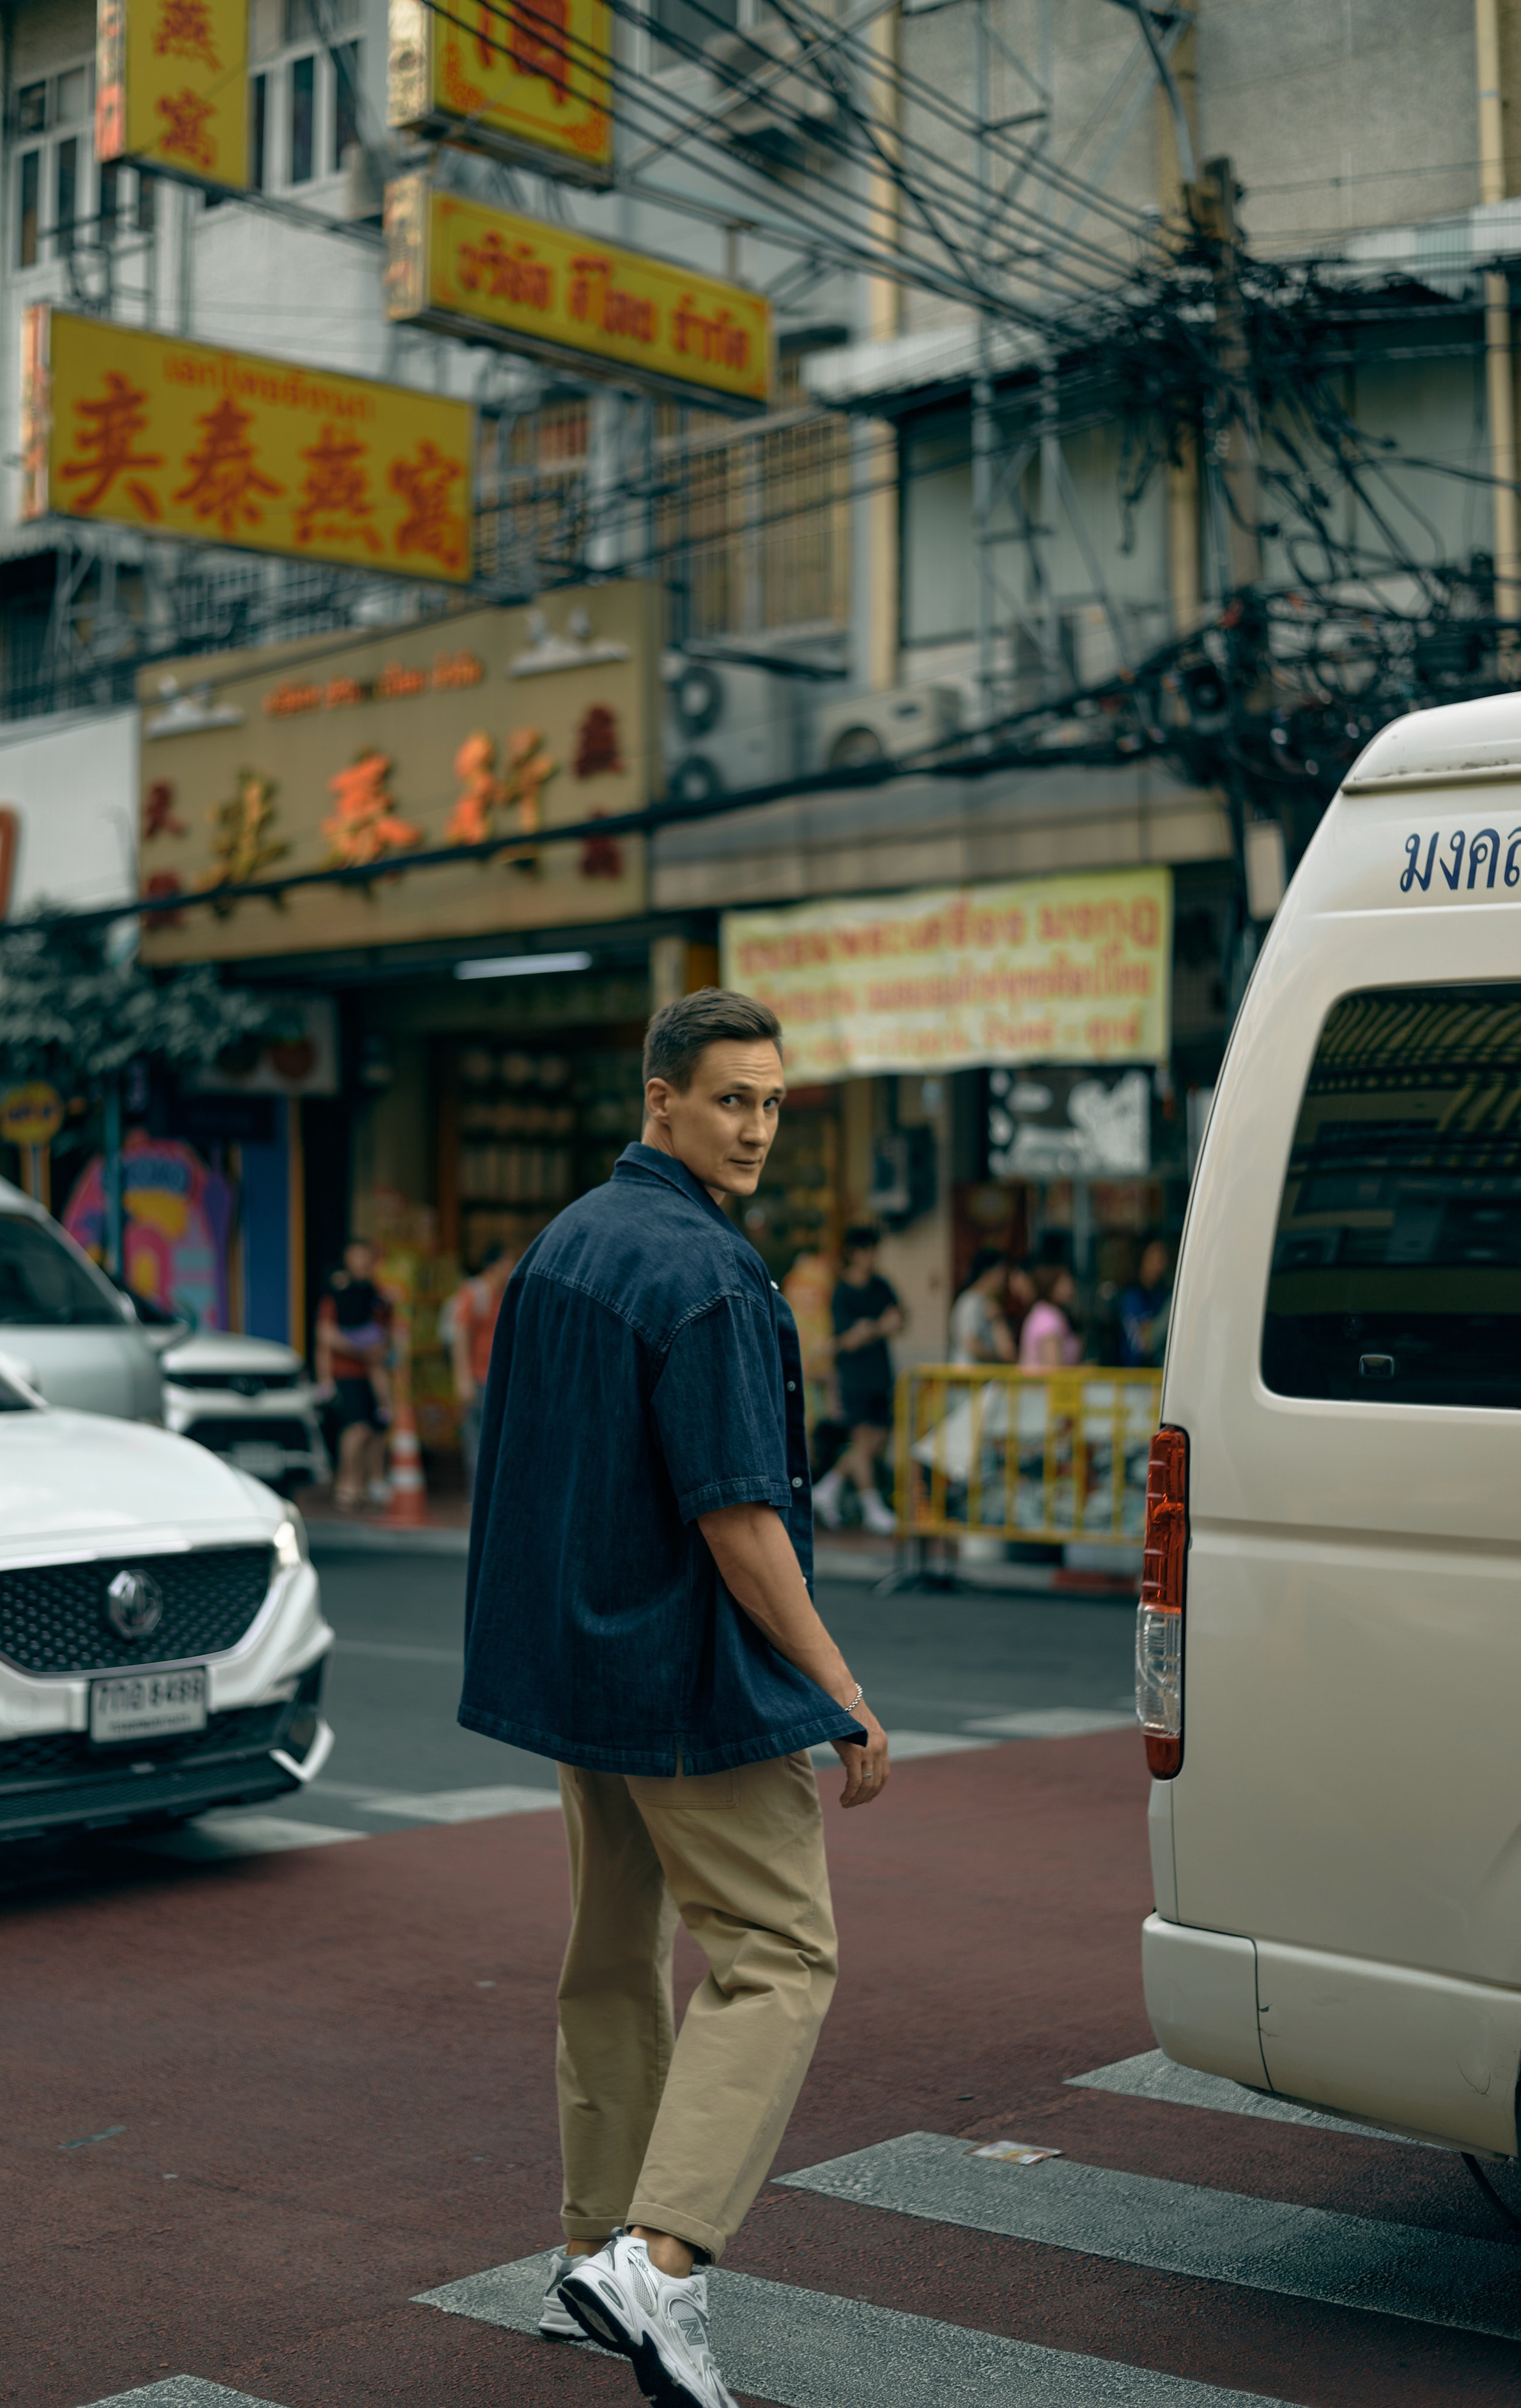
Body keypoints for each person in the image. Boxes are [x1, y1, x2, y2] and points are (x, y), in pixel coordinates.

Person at [459, 988, 889, 2408]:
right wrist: (838, 1688)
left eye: (771, 1103)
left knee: (611, 1960)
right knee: (780, 1954)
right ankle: (659, 2260)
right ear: (662, 1098)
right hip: (692, 1678)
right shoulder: (710, 1275)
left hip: (585, 1670)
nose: (756, 1128)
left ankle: (587, 2252)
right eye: (730, 1100)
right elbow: (739, 1518)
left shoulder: (564, 1244)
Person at [810, 1225, 902, 1535]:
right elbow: (847, 1340)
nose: (871, 1257)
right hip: (854, 1378)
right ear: (853, 1253)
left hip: (881, 1374)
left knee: (877, 1442)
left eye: (874, 1250)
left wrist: (868, 1330)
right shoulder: (842, 1292)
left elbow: (899, 1319)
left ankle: (827, 1489)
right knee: (862, 1441)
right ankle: (871, 1507)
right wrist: (878, 1328)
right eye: (866, 1250)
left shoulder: (881, 1285)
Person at [314, 1240, 392, 1509]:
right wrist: (325, 1379)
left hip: (373, 1373)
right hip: (345, 1375)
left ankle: (368, 1484)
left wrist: (380, 1351)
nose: (362, 1262)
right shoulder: (336, 1296)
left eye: (366, 1257)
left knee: (375, 1430)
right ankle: (346, 1485)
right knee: (356, 1429)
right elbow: (325, 1338)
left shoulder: (376, 1296)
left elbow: (386, 1334)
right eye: (357, 1257)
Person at [447, 1240, 516, 1491]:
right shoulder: (475, 1293)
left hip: (497, 1379)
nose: (513, 1267)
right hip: (478, 1379)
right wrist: (463, 1379)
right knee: (477, 1441)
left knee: (494, 1440)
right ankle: (477, 1497)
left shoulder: (503, 1294)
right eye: (509, 1262)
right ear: (495, 1265)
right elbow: (460, 1335)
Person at [948, 1257, 1017, 1364]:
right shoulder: (971, 1302)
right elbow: (972, 1344)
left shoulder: (984, 1302)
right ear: (988, 1274)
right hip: (970, 1372)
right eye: (1001, 1273)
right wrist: (999, 1358)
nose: (1004, 1280)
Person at [1119, 1237, 1172, 1367]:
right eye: (1156, 1259)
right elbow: (1143, 1344)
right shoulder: (1132, 1297)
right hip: (1134, 1372)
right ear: (1143, 1259)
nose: (1161, 1265)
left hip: (1157, 1372)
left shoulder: (1161, 1294)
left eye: (1163, 1259)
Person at [1018, 1262, 1083, 1369]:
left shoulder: (1042, 1312)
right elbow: (1053, 1368)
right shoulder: (1048, 1318)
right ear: (1052, 1286)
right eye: (1065, 1282)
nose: (1071, 1286)